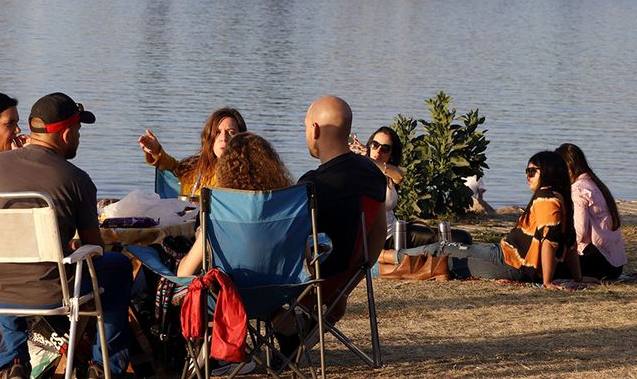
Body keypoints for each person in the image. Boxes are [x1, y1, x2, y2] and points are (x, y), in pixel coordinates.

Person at [0, 93, 131, 378]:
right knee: (118, 267)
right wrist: (73, 247)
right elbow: (93, 248)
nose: (79, 138)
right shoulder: (76, 179)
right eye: (79, 131)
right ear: (67, 133)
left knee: (10, 262)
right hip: (51, 292)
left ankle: (13, 361)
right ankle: (104, 366)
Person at [415, 151, 581, 287]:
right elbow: (571, 244)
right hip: (505, 255)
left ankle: (391, 256)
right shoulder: (563, 199)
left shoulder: (546, 199)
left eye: (531, 172)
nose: (527, 177)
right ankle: (393, 258)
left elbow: (548, 242)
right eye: (526, 172)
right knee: (447, 251)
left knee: (444, 252)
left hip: (510, 264)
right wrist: (578, 278)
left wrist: (547, 282)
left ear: (547, 172)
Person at [298, 96, 385, 321]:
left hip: (311, 289)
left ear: (315, 129)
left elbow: (289, 245)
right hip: (341, 282)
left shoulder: (313, 184)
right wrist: (345, 288)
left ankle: (285, 336)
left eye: (306, 127)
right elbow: (377, 235)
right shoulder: (373, 174)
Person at [176, 132, 292, 277]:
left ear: (226, 170)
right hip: (285, 291)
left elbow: (183, 273)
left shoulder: (219, 208)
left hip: (229, 294)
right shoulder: (288, 207)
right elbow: (305, 262)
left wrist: (203, 236)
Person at [358, 127, 472, 253]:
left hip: (396, 232)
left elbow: (400, 176)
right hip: (380, 239)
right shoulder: (360, 171)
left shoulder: (389, 173)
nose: (378, 151)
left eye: (385, 148)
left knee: (461, 237)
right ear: (369, 146)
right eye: (375, 145)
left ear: (391, 154)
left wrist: (370, 160)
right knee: (454, 239)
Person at [555, 143, 627, 280]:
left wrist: (561, 254)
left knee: (544, 268)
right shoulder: (594, 183)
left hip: (599, 262)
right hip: (615, 265)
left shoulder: (578, 189)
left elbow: (579, 232)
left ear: (568, 166)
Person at [138, 108, 247, 196]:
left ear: (242, 138)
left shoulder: (249, 176)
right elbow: (171, 167)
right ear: (209, 137)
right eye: (217, 132)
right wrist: (155, 150)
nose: (223, 138)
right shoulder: (194, 169)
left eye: (231, 132)